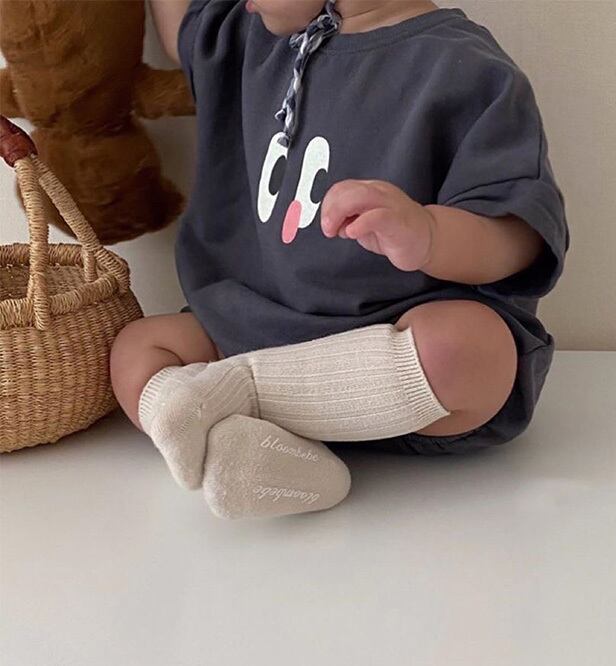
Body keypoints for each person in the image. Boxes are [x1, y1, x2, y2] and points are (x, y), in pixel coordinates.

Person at [110, 0, 569, 519]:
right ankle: (266, 459)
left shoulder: (465, 70)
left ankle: (234, 399)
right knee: (136, 349)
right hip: (244, 330)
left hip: (391, 367)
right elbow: (179, 27)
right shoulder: (252, 35)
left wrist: (430, 235)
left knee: (476, 351)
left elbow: (517, 237)